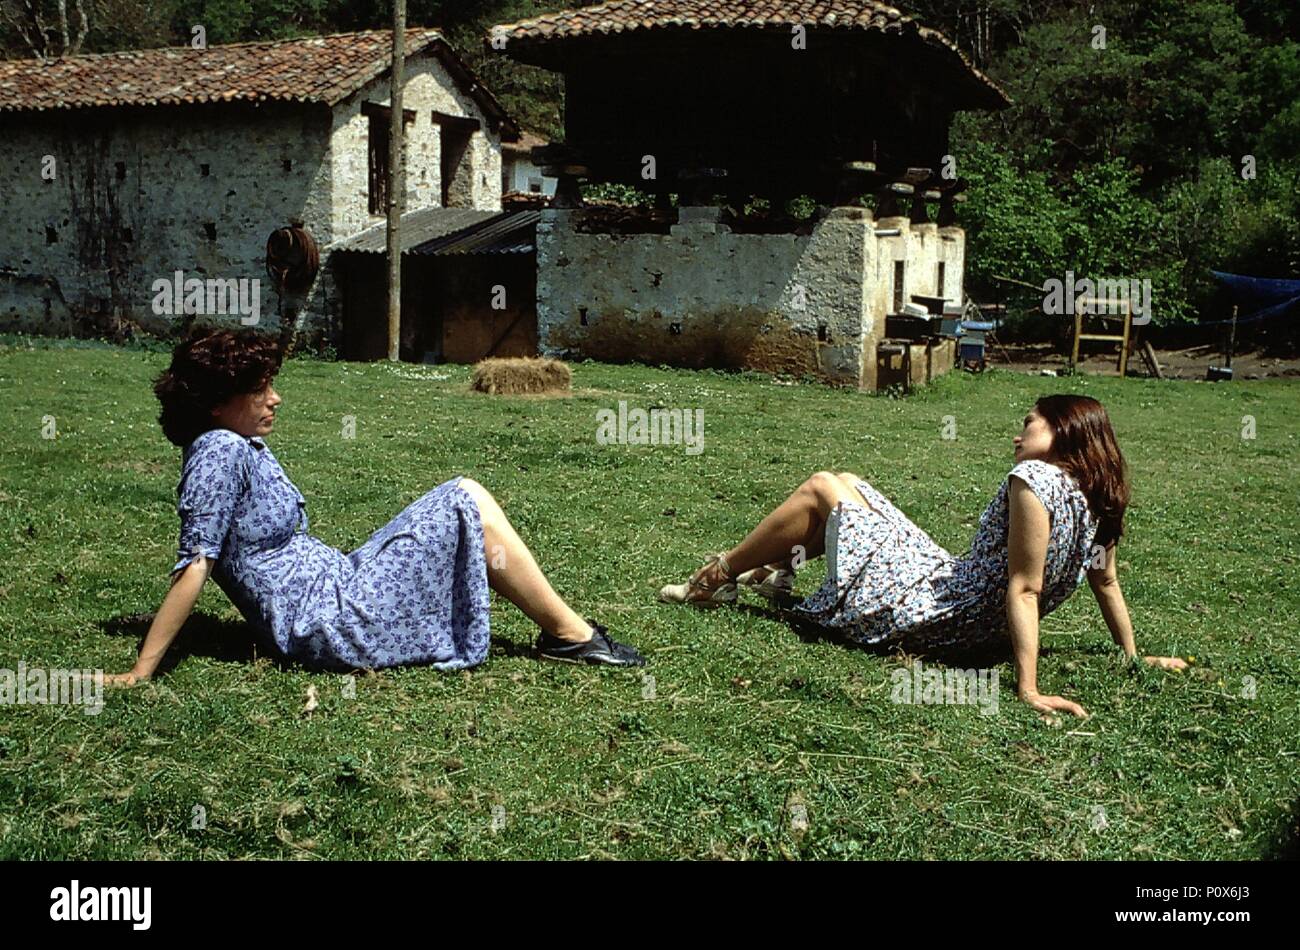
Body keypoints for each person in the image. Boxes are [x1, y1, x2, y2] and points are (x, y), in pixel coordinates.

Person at [106, 327, 644, 686]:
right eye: (260, 389)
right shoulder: (217, 450)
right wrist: (142, 670)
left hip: (336, 582)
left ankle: (568, 634)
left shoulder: (233, 442)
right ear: (217, 402)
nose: (275, 399)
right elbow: (195, 561)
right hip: (322, 622)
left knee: (465, 498)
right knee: (466, 499)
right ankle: (572, 637)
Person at [659, 394, 1187, 717]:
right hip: (959, 603)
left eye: (1028, 424)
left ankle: (717, 575)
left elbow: (1024, 588)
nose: (1017, 435)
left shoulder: (1035, 480)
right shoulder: (1101, 497)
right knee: (850, 486)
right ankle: (773, 571)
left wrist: (1028, 688)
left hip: (935, 612)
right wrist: (1134, 655)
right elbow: (1106, 582)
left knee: (824, 485)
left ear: (1062, 431)